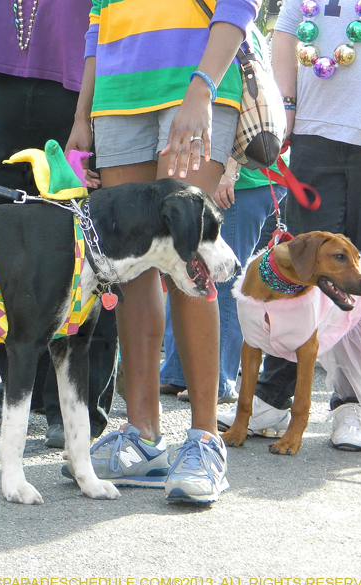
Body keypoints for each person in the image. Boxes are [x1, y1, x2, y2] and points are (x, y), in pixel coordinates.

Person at [64, 0, 260, 503]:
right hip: (115, 95)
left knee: (190, 258)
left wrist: (204, 86)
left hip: (193, 85)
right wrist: (82, 113)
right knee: (130, 269)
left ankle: (204, 440)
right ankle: (142, 435)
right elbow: (96, 21)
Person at [218, 0, 361, 452]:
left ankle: (349, 405)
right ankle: (272, 399)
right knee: (298, 270)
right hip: (311, 138)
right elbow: (287, 37)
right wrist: (286, 107)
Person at [0, 0, 118, 448]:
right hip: (5, 71)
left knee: (83, 254)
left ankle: (76, 409)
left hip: (81, 72)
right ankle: (19, 387)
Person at [161, 157, 287, 404]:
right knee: (184, 271)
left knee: (223, 277)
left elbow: (236, 119)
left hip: (242, 181)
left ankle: (219, 379)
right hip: (208, 176)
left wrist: (228, 172)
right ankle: (177, 371)